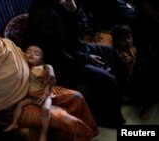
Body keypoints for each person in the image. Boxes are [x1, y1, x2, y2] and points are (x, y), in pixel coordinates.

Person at [0, 5, 99, 141]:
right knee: (67, 121)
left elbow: (29, 63)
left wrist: (49, 68)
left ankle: (90, 133)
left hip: (34, 87)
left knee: (77, 97)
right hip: (13, 109)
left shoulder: (6, 45)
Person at [24, 0, 125, 128]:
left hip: (75, 50)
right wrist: (87, 58)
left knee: (110, 52)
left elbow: (80, 30)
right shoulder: (41, 14)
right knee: (107, 79)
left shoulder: (59, 4)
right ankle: (111, 119)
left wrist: (74, 9)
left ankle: (122, 95)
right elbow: (56, 52)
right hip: (63, 63)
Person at [4, 45, 56, 141]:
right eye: (28, 52)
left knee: (45, 108)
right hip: (32, 96)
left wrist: (45, 94)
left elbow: (48, 83)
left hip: (43, 95)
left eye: (36, 54)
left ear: (40, 60)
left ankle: (43, 134)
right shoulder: (23, 67)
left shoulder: (41, 69)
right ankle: (14, 123)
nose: (32, 54)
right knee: (20, 105)